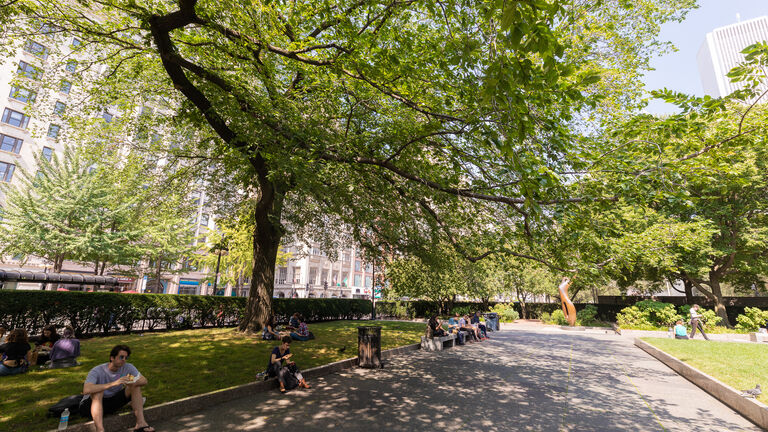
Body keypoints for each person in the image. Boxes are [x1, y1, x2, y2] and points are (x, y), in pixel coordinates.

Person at [79, 345, 154, 432]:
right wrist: (114, 383)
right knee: (98, 392)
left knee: (135, 386)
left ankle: (141, 424)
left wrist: (132, 382)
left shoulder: (127, 367)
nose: (124, 360)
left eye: (126, 357)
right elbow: (86, 390)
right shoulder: (97, 370)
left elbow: (144, 381)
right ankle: (100, 430)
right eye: (121, 357)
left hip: (112, 402)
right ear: (112, 358)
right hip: (90, 405)